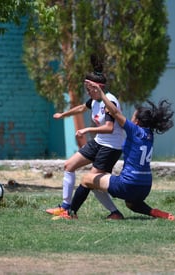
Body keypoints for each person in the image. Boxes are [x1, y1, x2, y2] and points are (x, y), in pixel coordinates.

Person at [58, 80, 175, 221]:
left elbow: (114, 112)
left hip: (129, 184)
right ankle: (155, 213)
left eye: (133, 116)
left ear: (137, 121)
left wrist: (101, 94)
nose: (130, 117)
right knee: (131, 203)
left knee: (87, 179)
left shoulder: (134, 130)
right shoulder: (149, 135)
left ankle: (70, 213)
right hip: (145, 186)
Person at [46, 55, 124, 220]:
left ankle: (111, 213)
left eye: (89, 88)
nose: (87, 91)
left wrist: (86, 129)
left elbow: (109, 128)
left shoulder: (109, 102)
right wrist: (63, 115)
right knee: (69, 165)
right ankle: (65, 207)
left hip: (111, 148)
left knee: (91, 181)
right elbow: (82, 107)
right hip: (99, 143)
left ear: (97, 88)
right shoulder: (95, 100)